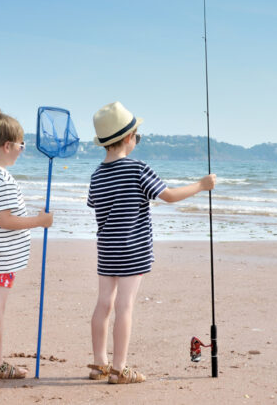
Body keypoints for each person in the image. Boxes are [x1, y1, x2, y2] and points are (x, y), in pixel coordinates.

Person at [87, 102, 216, 384]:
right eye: (137, 135)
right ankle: (120, 368)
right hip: (133, 249)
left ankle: (99, 364)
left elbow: (95, 205)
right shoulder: (138, 168)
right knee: (125, 306)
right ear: (128, 138)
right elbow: (167, 196)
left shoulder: (96, 175)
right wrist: (201, 185)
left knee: (103, 304)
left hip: (107, 250)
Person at [0, 111, 53, 380]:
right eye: (21, 144)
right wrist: (39, 221)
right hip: (0, 258)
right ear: (7, 146)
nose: (21, 149)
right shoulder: (3, 179)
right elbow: (5, 220)